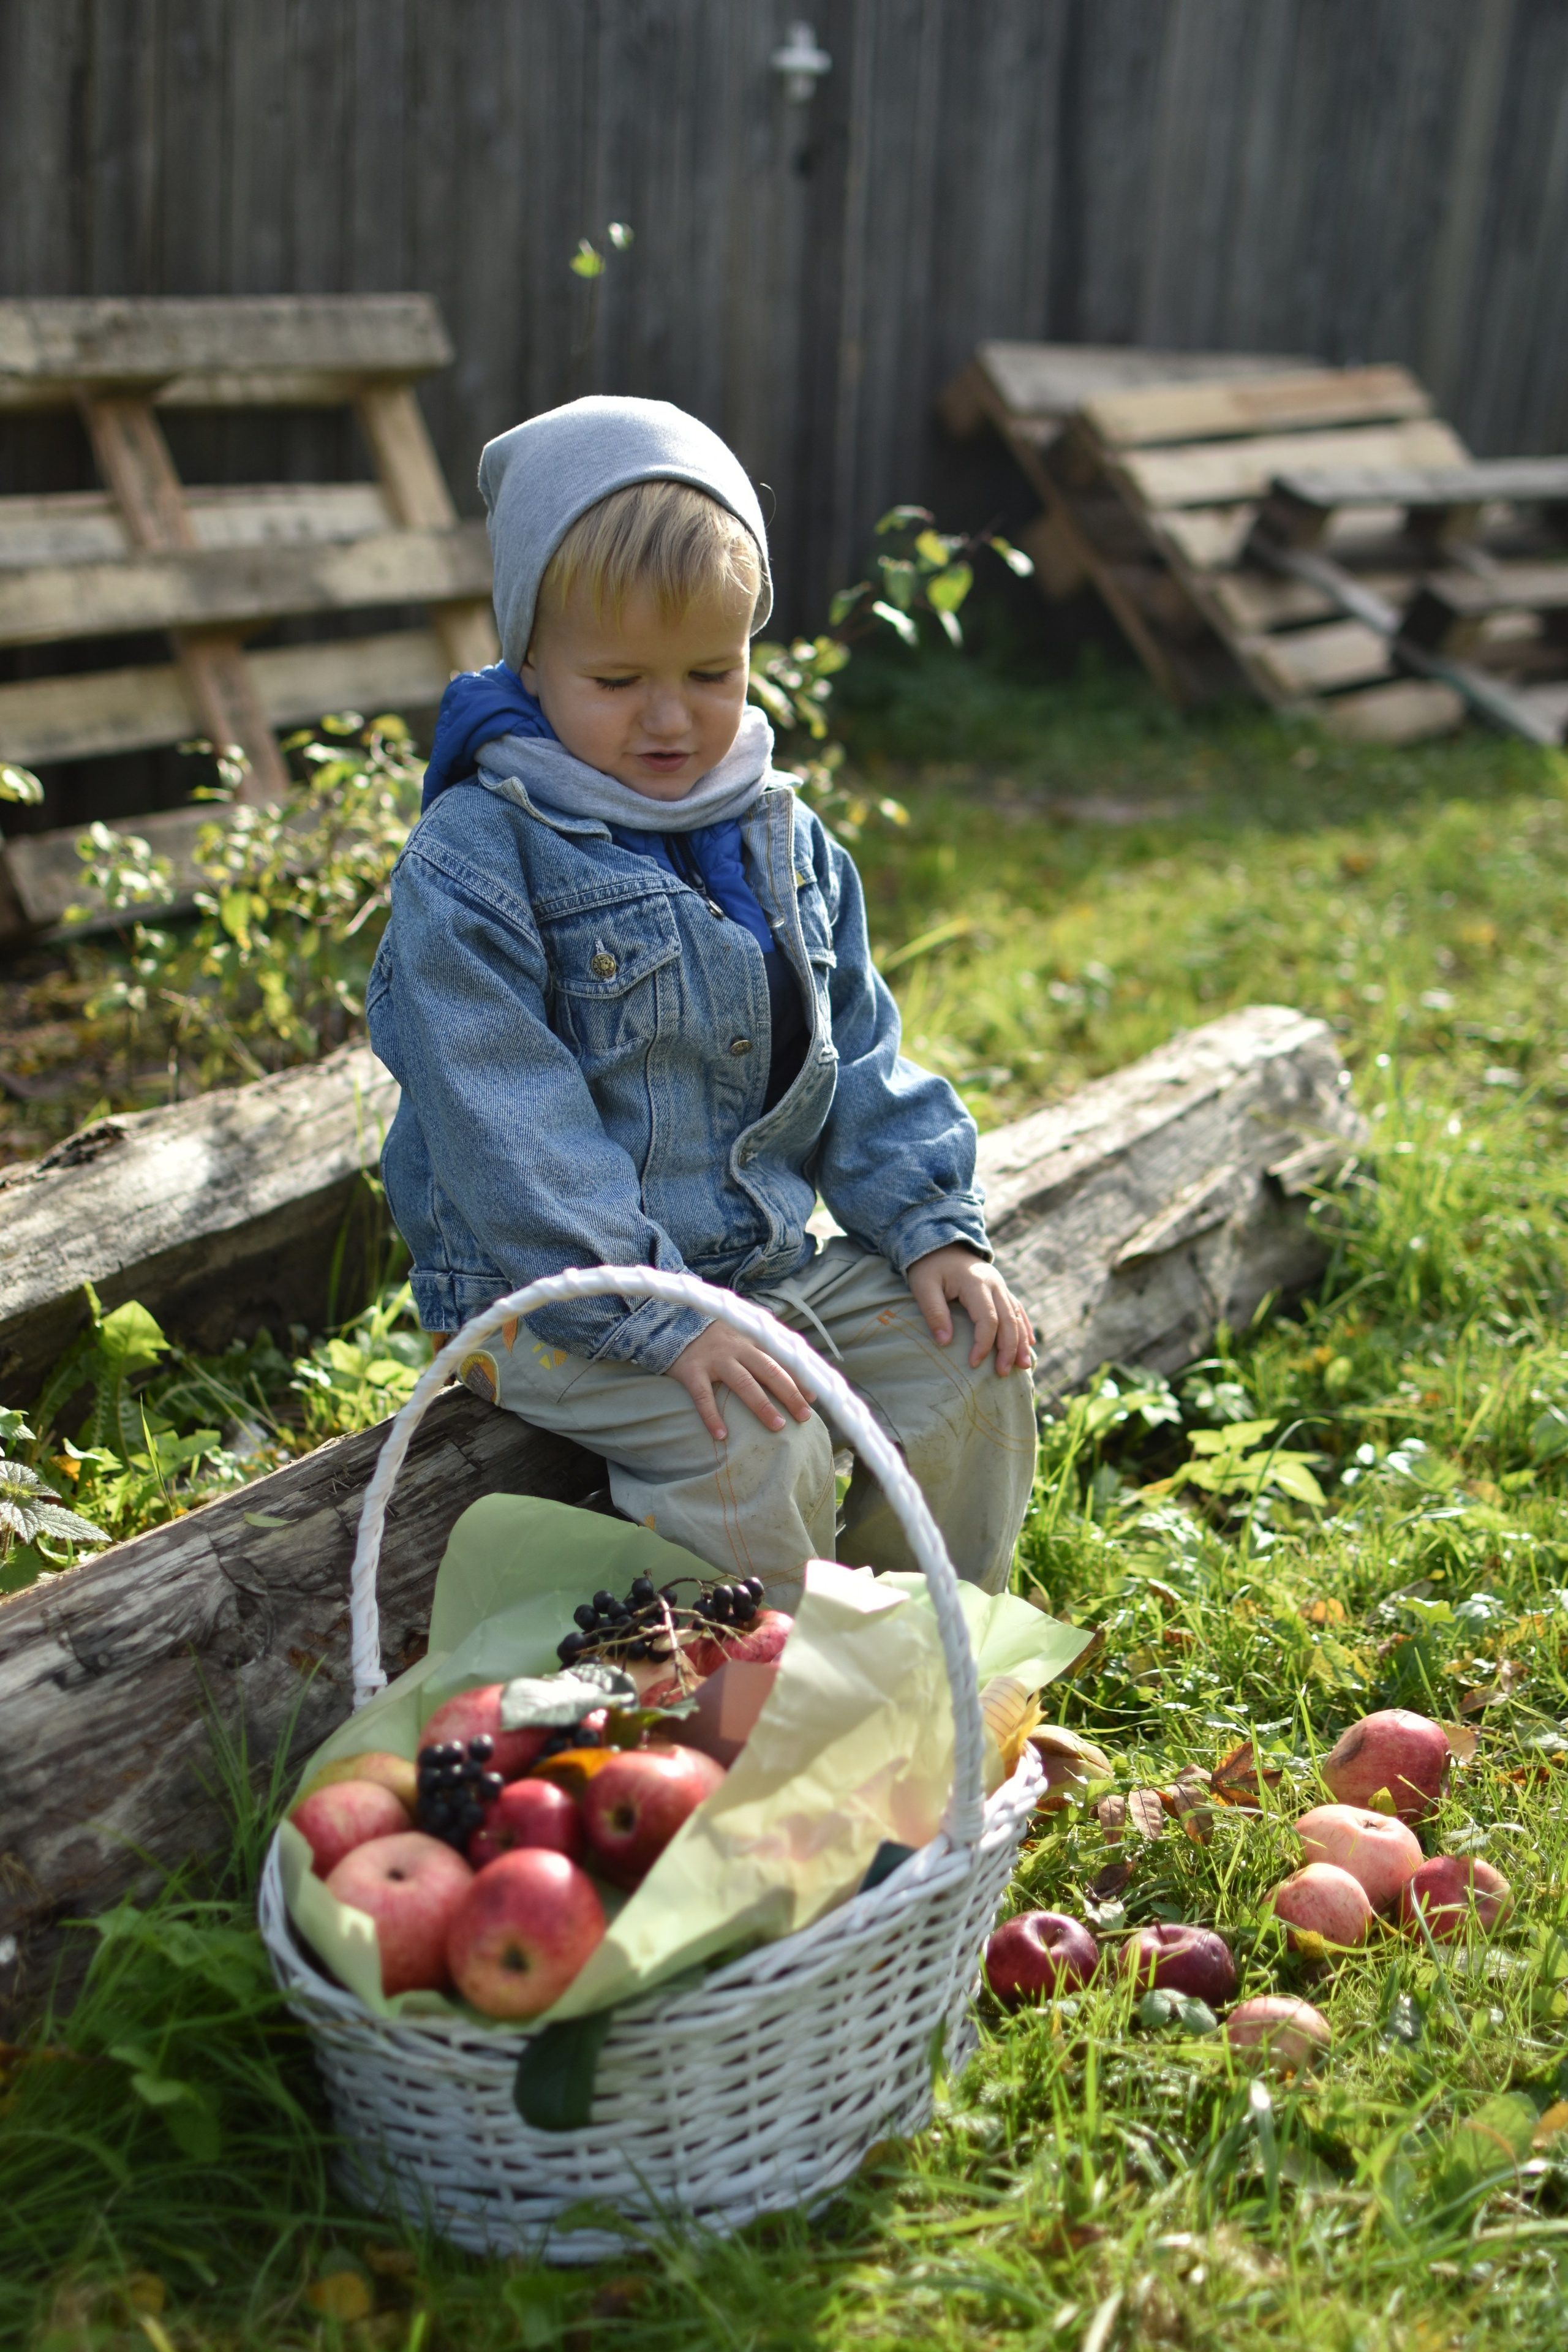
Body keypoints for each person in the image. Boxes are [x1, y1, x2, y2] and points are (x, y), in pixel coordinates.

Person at [367, 396, 1037, 1605]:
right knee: (752, 1430)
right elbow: (504, 1124)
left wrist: (928, 1221)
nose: (671, 718)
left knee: (968, 1363)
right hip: (557, 1298)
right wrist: (660, 1318)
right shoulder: (478, 859)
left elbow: (860, 1052)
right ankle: (747, 1720)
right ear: (527, 655)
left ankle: (907, 1667)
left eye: (710, 672)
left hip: (756, 1264)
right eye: (617, 678)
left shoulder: (773, 829)